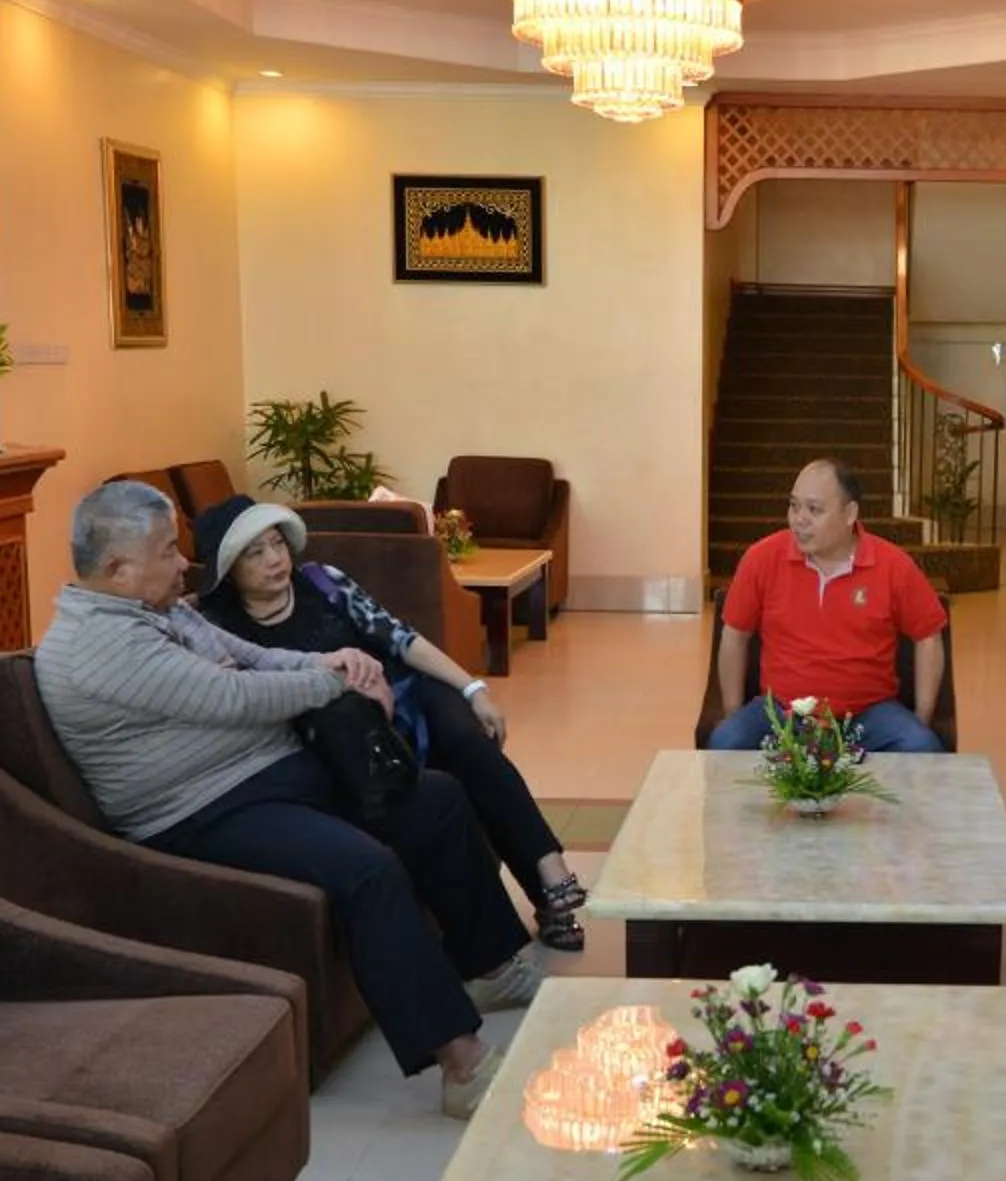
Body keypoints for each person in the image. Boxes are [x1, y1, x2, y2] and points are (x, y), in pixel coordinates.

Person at [34, 479, 539, 1120]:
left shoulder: (156, 608)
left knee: (432, 796)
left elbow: (250, 659)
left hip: (261, 772)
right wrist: (338, 688)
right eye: (167, 551)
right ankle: (462, 1065)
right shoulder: (98, 646)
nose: (183, 563)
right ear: (117, 568)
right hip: (197, 811)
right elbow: (236, 697)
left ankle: (488, 965)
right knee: (365, 867)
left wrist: (339, 662)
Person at [191, 495, 591, 952]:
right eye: (255, 552)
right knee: (443, 786)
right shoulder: (222, 630)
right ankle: (531, 906)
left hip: (409, 696)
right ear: (228, 570)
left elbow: (401, 640)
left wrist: (471, 689)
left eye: (277, 543)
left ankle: (552, 880)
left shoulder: (324, 581)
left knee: (468, 744)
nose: (275, 559)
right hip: (354, 737)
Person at [708, 458, 950, 754]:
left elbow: (929, 636)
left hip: (867, 715)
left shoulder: (893, 566)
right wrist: (733, 712)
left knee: (921, 746)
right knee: (726, 742)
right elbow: (734, 634)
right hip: (782, 712)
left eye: (814, 509)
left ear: (849, 514)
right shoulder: (762, 558)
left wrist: (922, 718)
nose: (799, 519)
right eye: (794, 506)